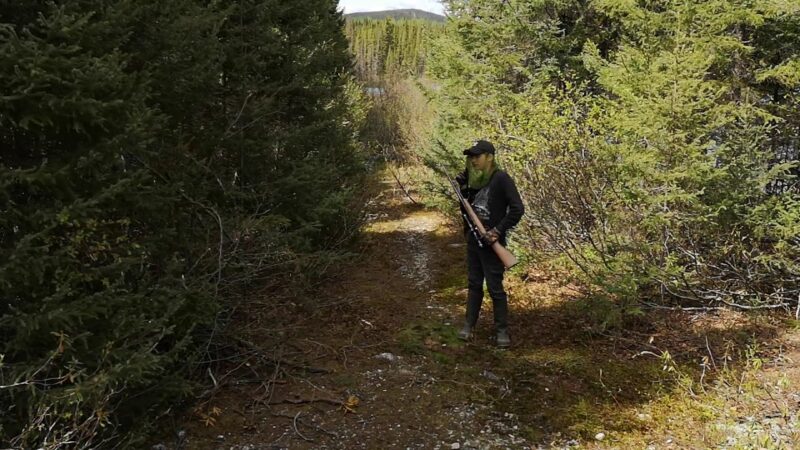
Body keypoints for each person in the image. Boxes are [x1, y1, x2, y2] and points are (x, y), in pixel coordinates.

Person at [455, 139, 524, 348]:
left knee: (495, 288)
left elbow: (517, 209)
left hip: (492, 243)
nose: (473, 160)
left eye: (477, 156)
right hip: (474, 241)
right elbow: (466, 211)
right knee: (474, 284)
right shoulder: (475, 181)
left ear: (490, 157)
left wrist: (497, 230)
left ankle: (502, 331)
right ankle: (468, 326)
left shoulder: (502, 179)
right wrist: (463, 189)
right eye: (471, 157)